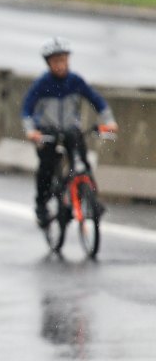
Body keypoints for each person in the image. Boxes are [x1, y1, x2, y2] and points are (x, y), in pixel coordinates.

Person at [22, 36, 118, 227]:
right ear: (48, 63)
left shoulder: (75, 81)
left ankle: (91, 199)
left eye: (63, 60)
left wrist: (109, 121)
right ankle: (41, 205)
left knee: (82, 162)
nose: (60, 65)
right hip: (47, 132)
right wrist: (31, 131)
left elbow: (97, 100)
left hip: (70, 130)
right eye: (56, 61)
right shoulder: (42, 84)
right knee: (47, 168)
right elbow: (27, 109)